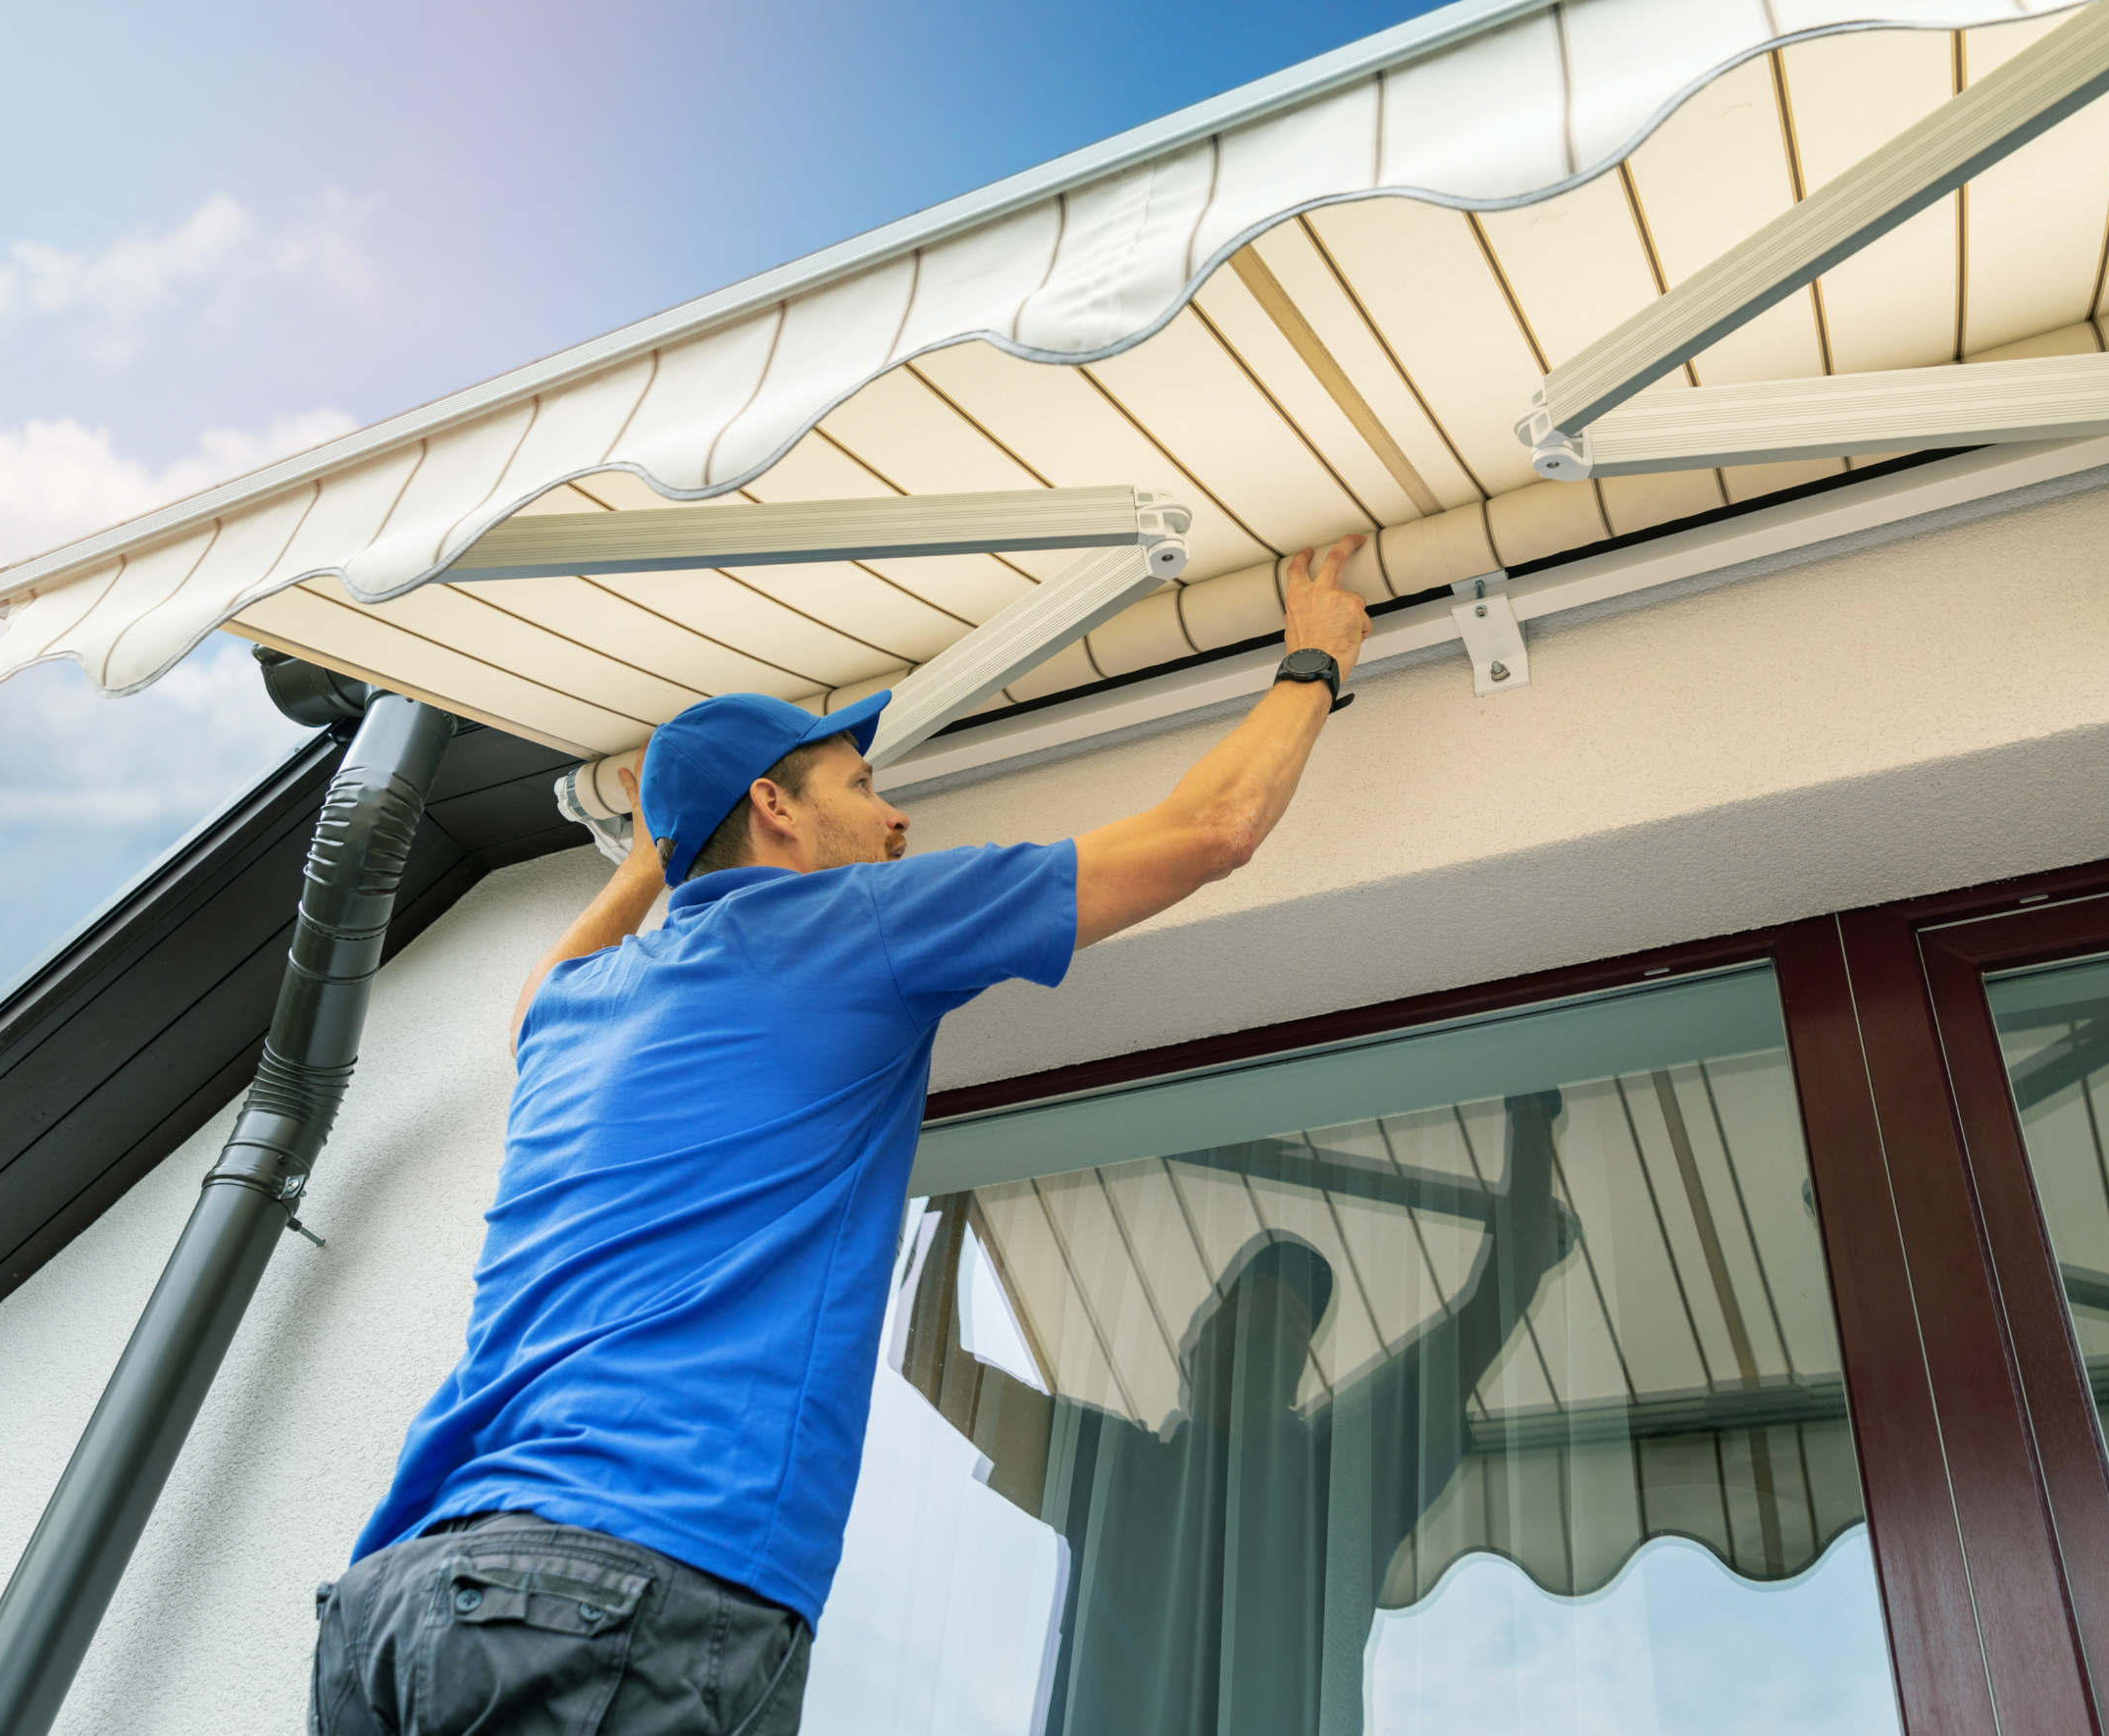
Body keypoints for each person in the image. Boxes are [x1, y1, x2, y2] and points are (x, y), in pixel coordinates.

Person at [308, 538, 1371, 1736]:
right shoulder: (844, 924)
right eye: (861, 785)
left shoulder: (572, 1015)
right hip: (625, 1583)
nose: (895, 811)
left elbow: (550, 976)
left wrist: (662, 849)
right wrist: (1313, 657)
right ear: (775, 809)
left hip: (393, 1609)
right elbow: (1214, 828)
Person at [904, 1095, 1572, 1736]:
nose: (1276, 1326)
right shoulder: (1117, 1468)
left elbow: (1499, 1294)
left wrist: (1531, 1107)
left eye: (1289, 1324)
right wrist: (956, 1169)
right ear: (1198, 1347)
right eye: (1256, 1309)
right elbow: (931, 1364)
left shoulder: (1335, 1484)